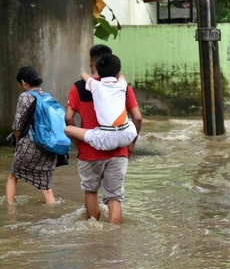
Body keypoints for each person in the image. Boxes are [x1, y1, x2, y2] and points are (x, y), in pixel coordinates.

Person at [65, 44, 142, 224]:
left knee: (91, 191)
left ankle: (94, 233)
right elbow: (137, 117)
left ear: (92, 62)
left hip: (90, 150)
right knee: (115, 197)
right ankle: (114, 237)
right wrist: (132, 143)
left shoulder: (78, 87)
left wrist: (79, 142)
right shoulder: (123, 87)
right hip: (119, 150)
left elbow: (68, 117)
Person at [5, 66, 57, 205]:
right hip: (49, 149)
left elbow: (17, 126)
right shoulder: (47, 97)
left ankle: (11, 211)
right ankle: (52, 213)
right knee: (47, 189)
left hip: (30, 146)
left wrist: (17, 144)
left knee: (12, 176)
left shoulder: (25, 96)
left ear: (23, 82)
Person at [64, 53, 137, 151]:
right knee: (129, 121)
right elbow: (138, 118)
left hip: (104, 140)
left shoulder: (95, 86)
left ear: (97, 70)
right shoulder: (122, 84)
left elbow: (84, 75)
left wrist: (85, 75)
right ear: (118, 72)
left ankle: (82, 145)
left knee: (68, 130)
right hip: (127, 135)